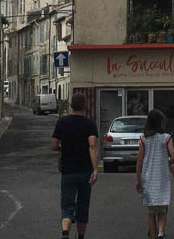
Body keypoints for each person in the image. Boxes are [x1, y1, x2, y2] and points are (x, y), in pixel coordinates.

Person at [50, 92, 99, 239]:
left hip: (68, 171)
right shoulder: (90, 124)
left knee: (67, 206)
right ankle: (81, 237)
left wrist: (62, 148)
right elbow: (92, 146)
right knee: (83, 207)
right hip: (85, 171)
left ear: (71, 105)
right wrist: (95, 169)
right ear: (84, 106)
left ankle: (65, 233)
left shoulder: (62, 122)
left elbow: (53, 145)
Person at [134, 109, 174, 239]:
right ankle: (160, 232)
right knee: (162, 210)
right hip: (162, 179)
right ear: (161, 123)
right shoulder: (166, 138)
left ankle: (153, 235)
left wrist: (138, 179)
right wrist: (167, 160)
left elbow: (140, 161)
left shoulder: (143, 139)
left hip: (148, 180)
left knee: (151, 213)